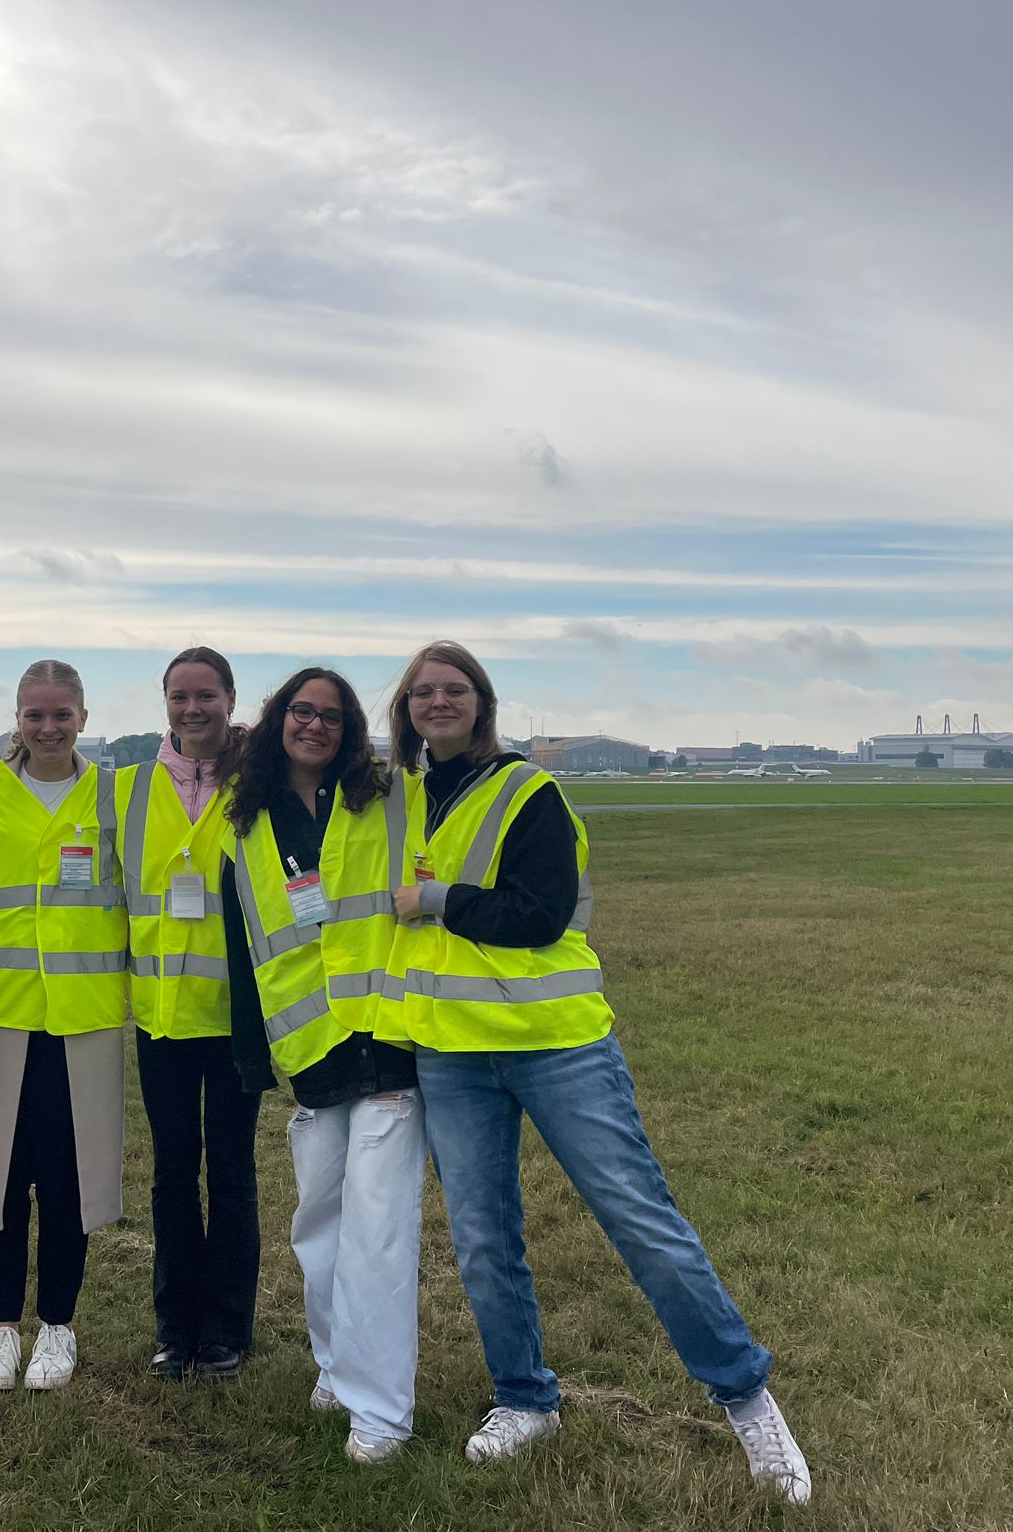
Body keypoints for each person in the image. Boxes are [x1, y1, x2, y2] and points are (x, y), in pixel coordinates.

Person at [384, 640, 812, 1502]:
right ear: (405, 710)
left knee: (639, 1219)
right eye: (423, 692)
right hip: (452, 1051)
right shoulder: (398, 801)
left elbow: (539, 916)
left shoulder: (529, 792)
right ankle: (524, 1399)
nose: (438, 702)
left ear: (482, 703)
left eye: (454, 689)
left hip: (556, 1043)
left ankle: (746, 1398)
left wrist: (434, 900)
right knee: (482, 1238)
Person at [223, 668, 423, 1465]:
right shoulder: (246, 826)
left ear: (350, 731)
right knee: (321, 1227)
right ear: (278, 720)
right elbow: (244, 948)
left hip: (387, 1041)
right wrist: (251, 1057)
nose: (314, 725)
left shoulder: (383, 802)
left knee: (378, 1231)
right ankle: (338, 1366)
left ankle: (381, 1414)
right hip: (312, 1052)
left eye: (331, 716)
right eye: (301, 711)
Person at [0, 659, 129, 1392]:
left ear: (83, 718)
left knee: (71, 1182)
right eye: (35, 715)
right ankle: (1, 1327)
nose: (48, 728)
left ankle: (58, 1326)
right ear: (17, 719)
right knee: (0, 1179)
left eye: (61, 715)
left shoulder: (112, 796)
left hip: (84, 1019)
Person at [115, 647, 261, 1381]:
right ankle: (175, 1329)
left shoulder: (259, 782)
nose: (192, 708)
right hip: (161, 1015)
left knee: (232, 1172)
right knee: (172, 1173)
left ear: (231, 698)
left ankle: (227, 1328)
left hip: (237, 1017)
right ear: (165, 702)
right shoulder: (127, 787)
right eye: (180, 696)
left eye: (206, 695)